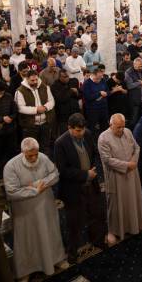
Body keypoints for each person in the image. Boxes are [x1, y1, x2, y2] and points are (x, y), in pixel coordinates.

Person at [3, 138, 67, 281]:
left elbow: (55, 174)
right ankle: (26, 270)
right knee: (27, 240)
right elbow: (11, 192)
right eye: (29, 156)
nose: (33, 158)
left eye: (35, 155)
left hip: (46, 206)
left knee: (50, 233)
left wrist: (39, 183)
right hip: (24, 212)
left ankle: (56, 260)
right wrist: (34, 191)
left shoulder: (43, 158)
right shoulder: (11, 166)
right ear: (22, 152)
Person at [54, 113, 106, 263]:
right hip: (73, 189)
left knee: (96, 214)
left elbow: (94, 153)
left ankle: (97, 241)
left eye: (82, 130)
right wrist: (85, 175)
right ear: (69, 128)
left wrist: (93, 169)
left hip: (91, 184)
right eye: (77, 131)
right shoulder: (60, 143)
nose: (81, 133)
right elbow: (62, 171)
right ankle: (72, 252)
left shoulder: (88, 134)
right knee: (74, 223)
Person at [97, 113, 142, 245]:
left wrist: (134, 161)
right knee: (116, 204)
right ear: (110, 124)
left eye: (123, 127)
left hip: (132, 173)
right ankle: (114, 231)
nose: (121, 130)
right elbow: (107, 160)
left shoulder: (128, 132)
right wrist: (126, 165)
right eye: (118, 127)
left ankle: (133, 226)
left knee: (132, 201)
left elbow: (137, 148)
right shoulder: (103, 138)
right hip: (116, 176)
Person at [15, 70, 55, 156]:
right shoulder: (20, 91)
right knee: (31, 148)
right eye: (32, 80)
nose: (35, 82)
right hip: (30, 125)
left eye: (36, 79)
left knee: (45, 147)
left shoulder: (45, 87)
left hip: (45, 123)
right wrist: (36, 110)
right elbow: (20, 108)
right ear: (27, 79)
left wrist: (45, 107)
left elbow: (52, 101)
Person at [50, 70, 82, 138]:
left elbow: (80, 95)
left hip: (75, 112)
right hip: (63, 116)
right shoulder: (54, 86)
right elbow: (61, 99)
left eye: (67, 76)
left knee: (78, 133)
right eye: (64, 77)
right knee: (65, 135)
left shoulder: (74, 81)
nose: (66, 78)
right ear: (59, 77)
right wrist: (71, 91)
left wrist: (76, 93)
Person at [83, 67, 110, 137]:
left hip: (103, 108)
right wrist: (99, 93)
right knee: (92, 129)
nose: (99, 80)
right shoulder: (87, 83)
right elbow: (87, 97)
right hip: (93, 110)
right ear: (93, 75)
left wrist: (106, 94)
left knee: (105, 127)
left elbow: (107, 91)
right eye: (98, 78)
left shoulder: (103, 80)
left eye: (101, 77)